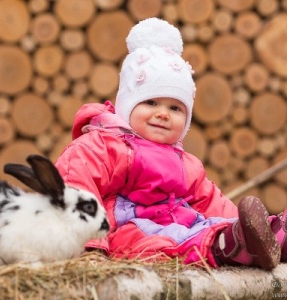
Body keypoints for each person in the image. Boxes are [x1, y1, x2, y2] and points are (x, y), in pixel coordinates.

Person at [55, 18, 287, 270]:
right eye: (151, 103)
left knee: (206, 227)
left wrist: (242, 222)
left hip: (179, 224)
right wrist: (89, 243)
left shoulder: (184, 162)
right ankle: (232, 245)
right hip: (131, 231)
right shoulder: (106, 145)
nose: (163, 113)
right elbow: (76, 185)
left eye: (175, 108)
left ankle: (265, 237)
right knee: (172, 241)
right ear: (126, 105)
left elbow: (210, 201)